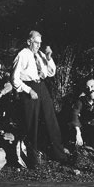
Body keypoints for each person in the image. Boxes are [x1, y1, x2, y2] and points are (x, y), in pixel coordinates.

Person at [11, 30, 67, 165]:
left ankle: (59, 154)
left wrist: (48, 57)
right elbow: (14, 78)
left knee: (50, 119)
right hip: (29, 88)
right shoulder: (22, 55)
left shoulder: (40, 54)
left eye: (40, 43)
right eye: (36, 43)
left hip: (42, 86)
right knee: (32, 123)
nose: (38, 45)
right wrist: (28, 90)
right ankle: (33, 158)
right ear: (29, 41)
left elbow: (51, 72)